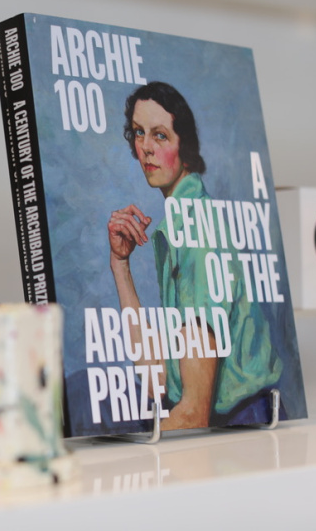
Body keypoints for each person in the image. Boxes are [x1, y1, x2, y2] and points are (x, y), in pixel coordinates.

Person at [107, 81, 283, 430]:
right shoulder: (179, 222)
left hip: (244, 429)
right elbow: (160, 382)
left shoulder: (196, 234)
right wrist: (120, 264)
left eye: (160, 135)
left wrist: (118, 456)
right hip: (223, 427)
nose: (145, 148)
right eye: (139, 133)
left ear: (184, 148)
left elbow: (193, 413)